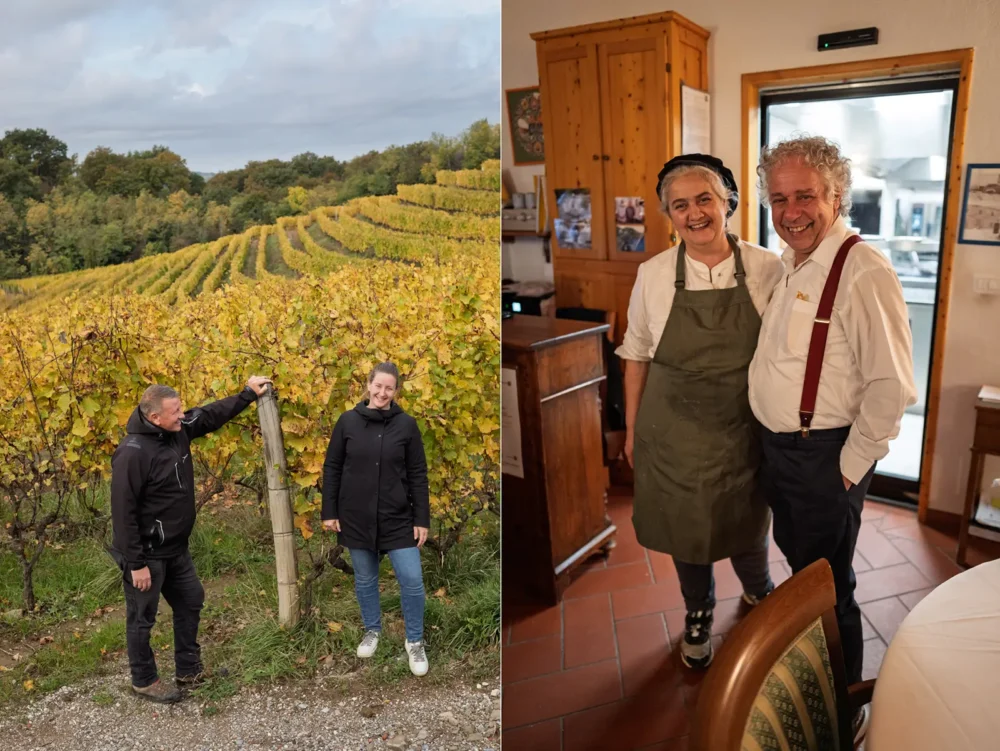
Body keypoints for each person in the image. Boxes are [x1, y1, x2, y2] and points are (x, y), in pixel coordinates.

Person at [749, 135, 917, 743]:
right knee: (804, 573)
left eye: (806, 196)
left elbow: (891, 386)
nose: (791, 211)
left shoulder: (862, 269)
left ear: (836, 196)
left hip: (823, 458)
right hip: (781, 451)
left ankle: (842, 711)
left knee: (828, 588)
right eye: (779, 199)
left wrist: (847, 468)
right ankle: (807, 675)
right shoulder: (791, 262)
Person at [617, 154, 785, 670]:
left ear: (728, 202)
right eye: (681, 205)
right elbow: (636, 355)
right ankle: (698, 611)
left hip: (743, 422)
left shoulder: (768, 267)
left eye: (705, 199)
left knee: (748, 514)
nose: (695, 214)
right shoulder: (653, 274)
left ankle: (760, 590)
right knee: (686, 527)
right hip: (673, 428)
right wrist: (632, 429)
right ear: (669, 215)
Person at [110, 375, 272, 703]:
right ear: (155, 417)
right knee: (142, 619)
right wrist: (136, 564)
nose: (182, 415)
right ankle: (144, 680)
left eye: (181, 408)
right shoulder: (132, 453)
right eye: (175, 411)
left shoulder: (177, 429)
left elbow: (209, 415)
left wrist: (247, 394)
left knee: (191, 600)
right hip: (148, 554)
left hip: (176, 549)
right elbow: (123, 512)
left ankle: (188, 669)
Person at [321, 362, 430, 677]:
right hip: (356, 516)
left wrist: (421, 519)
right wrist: (329, 511)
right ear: (368, 385)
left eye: (389, 388)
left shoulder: (407, 425)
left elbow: (417, 474)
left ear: (396, 391)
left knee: (412, 580)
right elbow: (333, 467)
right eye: (378, 386)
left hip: (398, 517)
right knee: (366, 579)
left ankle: (415, 641)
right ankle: (372, 630)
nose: (383, 392)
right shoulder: (347, 422)